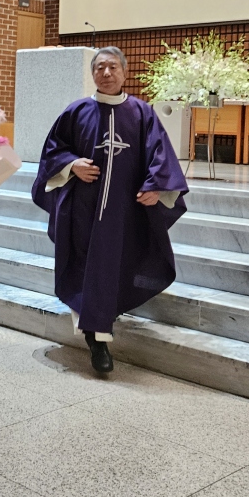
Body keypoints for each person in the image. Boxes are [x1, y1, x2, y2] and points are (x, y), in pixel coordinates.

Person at [32, 47, 187, 375]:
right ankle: (97, 339)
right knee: (86, 267)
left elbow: (160, 155)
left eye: (112, 67)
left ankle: (102, 322)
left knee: (116, 266)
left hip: (125, 212)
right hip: (83, 211)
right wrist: (72, 165)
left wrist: (156, 187)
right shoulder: (76, 111)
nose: (106, 73)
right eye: (100, 67)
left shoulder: (142, 113)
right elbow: (52, 152)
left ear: (125, 72)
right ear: (92, 73)